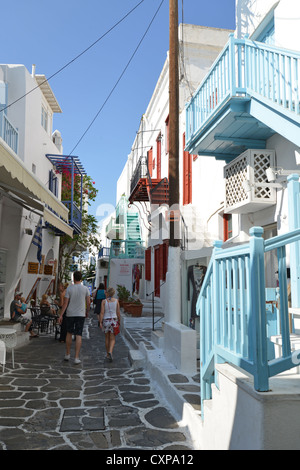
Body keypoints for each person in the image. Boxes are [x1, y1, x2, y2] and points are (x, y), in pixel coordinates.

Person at [58, 271, 90, 364]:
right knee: (78, 334)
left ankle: (67, 354)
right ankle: (76, 357)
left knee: (69, 333)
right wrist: (87, 311)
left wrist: (61, 315)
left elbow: (65, 303)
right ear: (81, 278)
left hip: (70, 313)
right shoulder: (85, 289)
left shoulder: (69, 289)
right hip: (80, 314)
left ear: (73, 278)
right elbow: (88, 302)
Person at [99, 287, 120, 362]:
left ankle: (108, 354)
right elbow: (118, 313)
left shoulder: (104, 301)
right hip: (113, 321)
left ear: (107, 293)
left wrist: (100, 322)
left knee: (107, 338)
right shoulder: (116, 301)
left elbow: (102, 312)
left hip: (106, 321)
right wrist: (119, 321)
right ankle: (111, 351)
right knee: (112, 338)